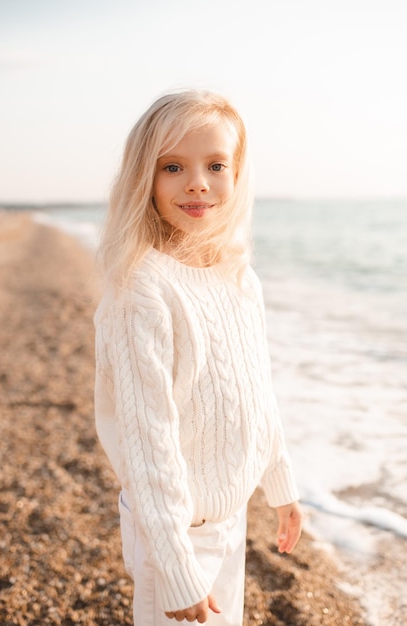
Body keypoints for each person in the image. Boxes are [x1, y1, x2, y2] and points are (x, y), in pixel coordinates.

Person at [94, 89, 303, 625]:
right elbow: (148, 441)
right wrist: (175, 564)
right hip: (172, 529)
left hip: (229, 519)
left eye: (216, 165)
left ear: (238, 175)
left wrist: (279, 484)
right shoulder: (141, 289)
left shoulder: (239, 277)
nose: (197, 182)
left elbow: (257, 393)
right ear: (145, 178)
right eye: (173, 166)